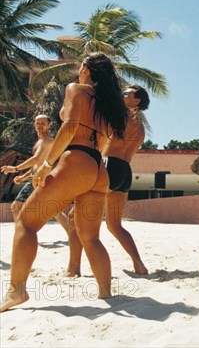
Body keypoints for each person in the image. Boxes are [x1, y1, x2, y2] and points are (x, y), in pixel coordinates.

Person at [1, 52, 128, 312]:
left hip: (76, 160)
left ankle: (17, 291)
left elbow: (69, 128)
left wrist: (48, 164)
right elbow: (103, 144)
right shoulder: (108, 106)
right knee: (91, 237)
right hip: (98, 169)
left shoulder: (76, 89)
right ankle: (106, 292)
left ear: (85, 69)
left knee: (26, 221)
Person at [66, 85, 150, 276]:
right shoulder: (140, 127)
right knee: (115, 225)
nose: (122, 95)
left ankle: (73, 268)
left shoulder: (119, 117)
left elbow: (100, 137)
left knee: (74, 217)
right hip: (125, 173)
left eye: (126, 94)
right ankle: (139, 264)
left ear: (136, 101)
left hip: (109, 166)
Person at [1, 115, 68, 231]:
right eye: (38, 123)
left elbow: (36, 159)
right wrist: (24, 176)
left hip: (40, 177)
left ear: (49, 125)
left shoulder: (46, 141)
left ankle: (21, 234)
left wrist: (15, 168)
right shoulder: (40, 141)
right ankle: (72, 232)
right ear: (34, 124)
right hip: (38, 176)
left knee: (16, 206)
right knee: (53, 209)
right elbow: (38, 165)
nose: (40, 126)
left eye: (43, 123)